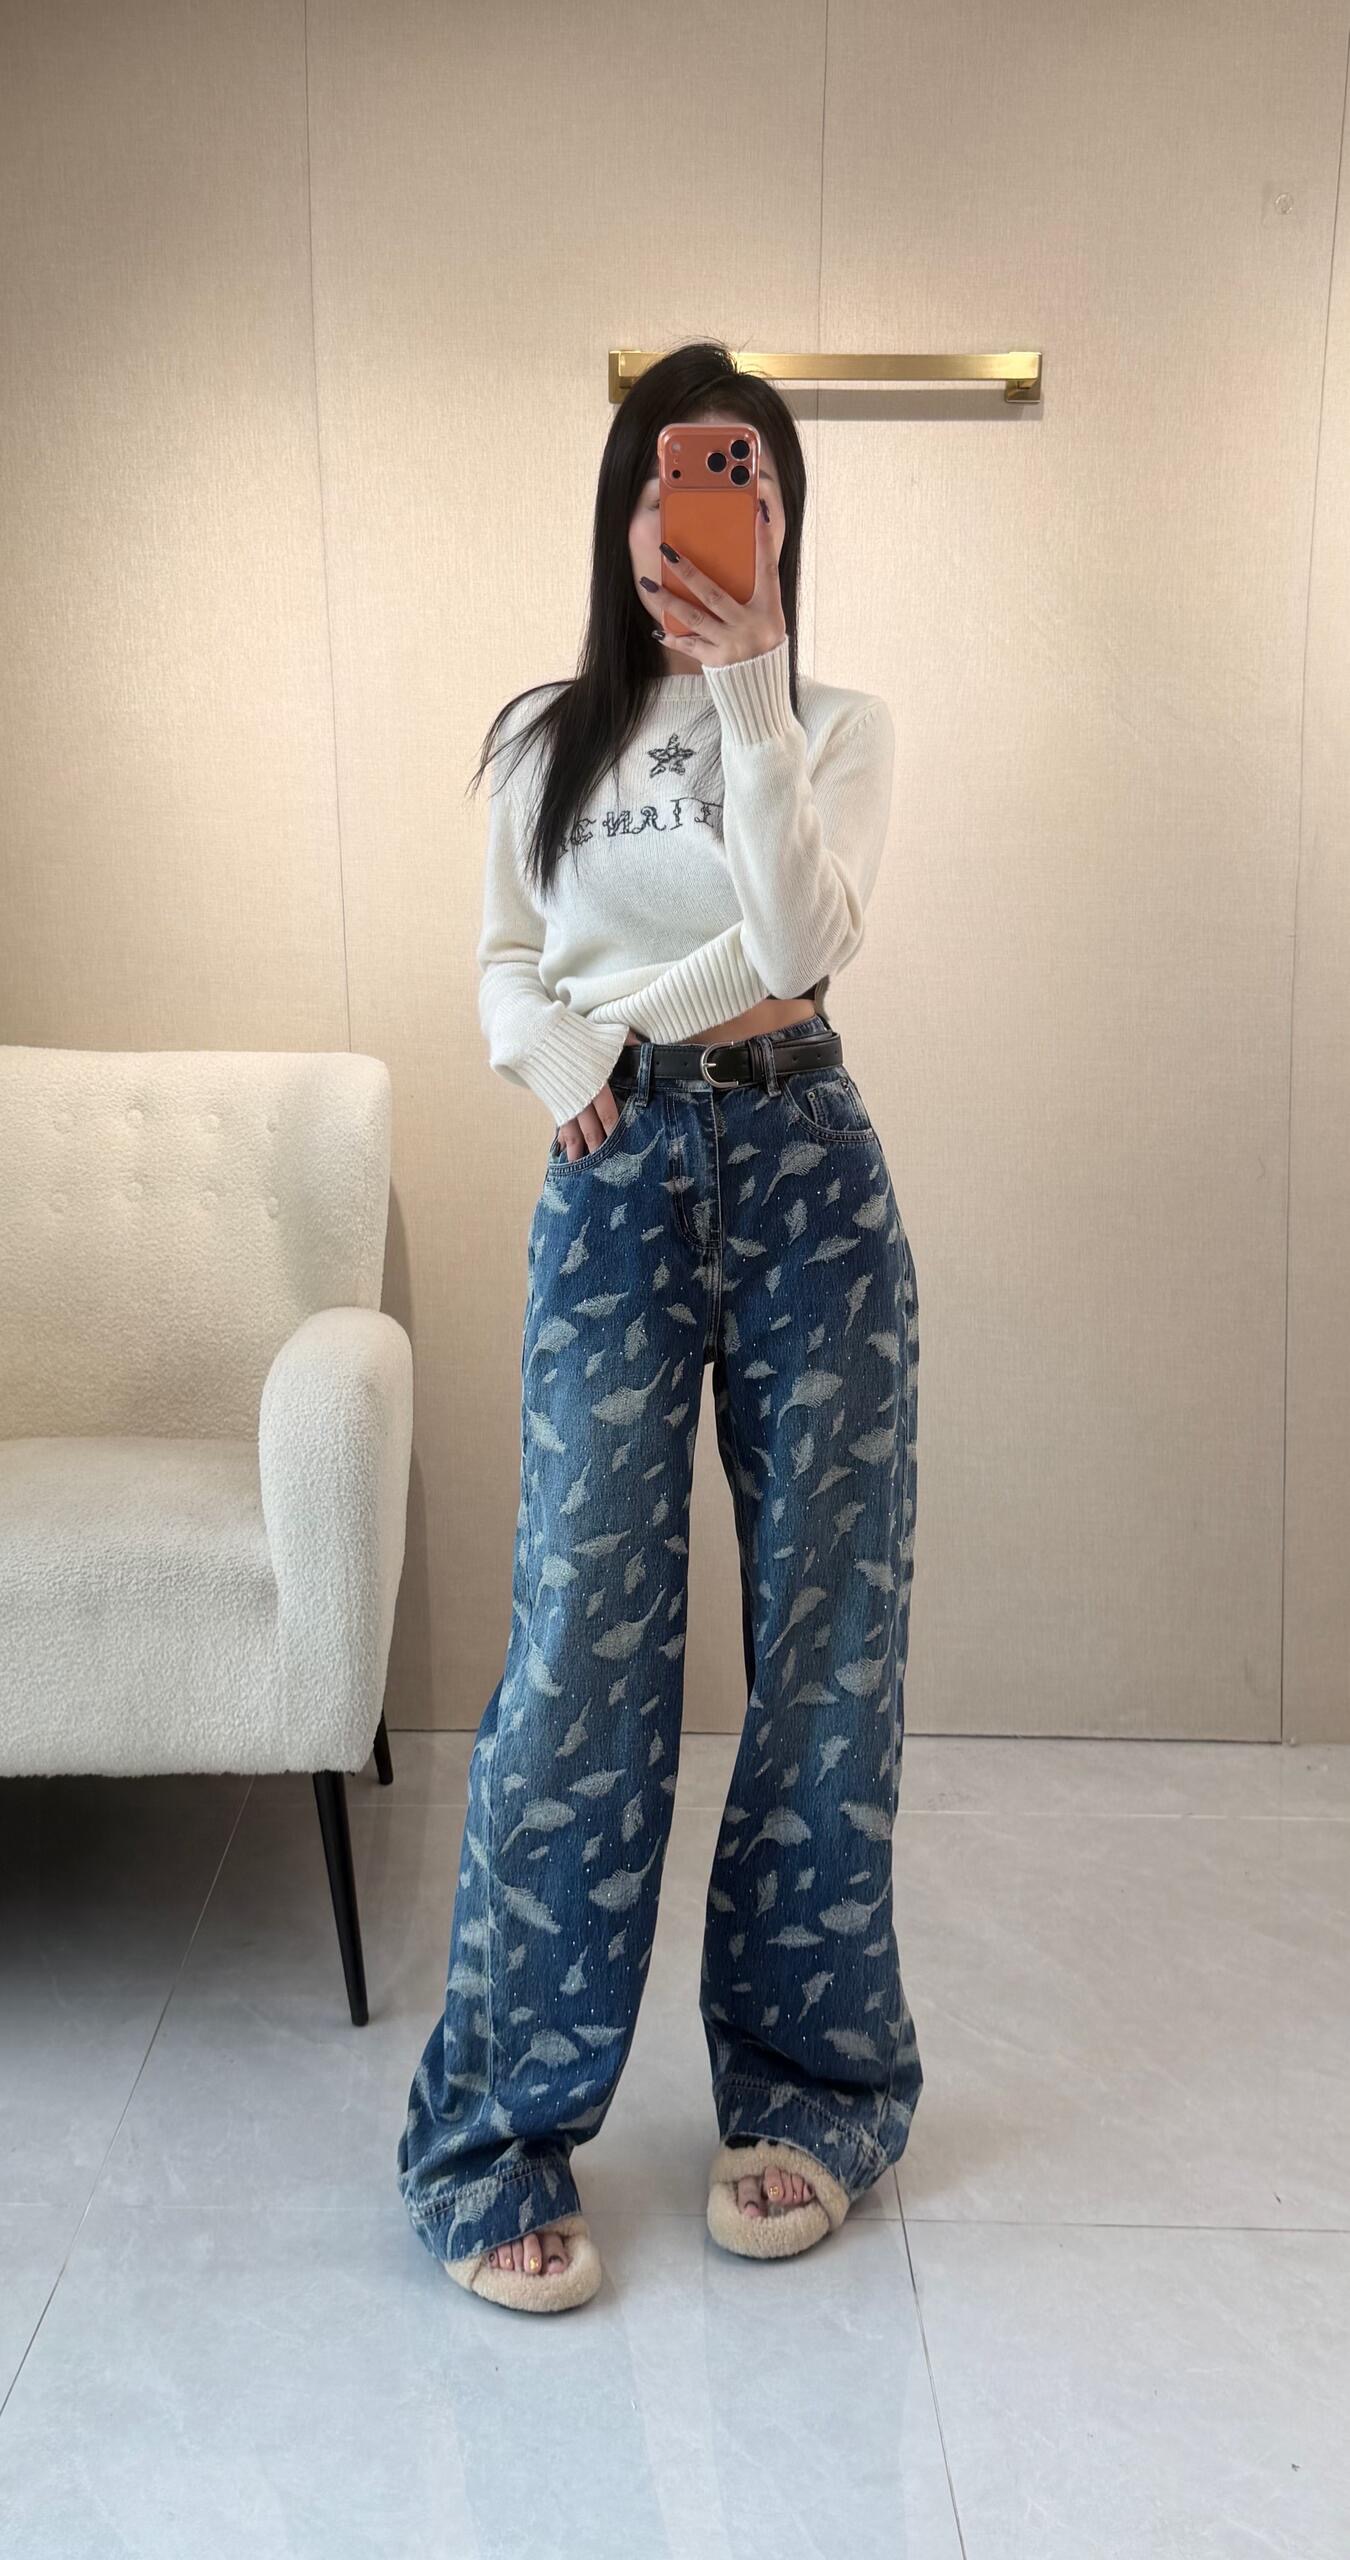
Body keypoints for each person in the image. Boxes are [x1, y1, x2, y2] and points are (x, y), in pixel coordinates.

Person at [396, 340, 922, 2313]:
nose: (705, 509)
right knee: (575, 1657)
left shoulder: (838, 727)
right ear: (621, 508)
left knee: (827, 1654)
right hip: (615, 1186)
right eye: (675, 476)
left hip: (808, 1180)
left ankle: (812, 2094)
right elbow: (504, 965)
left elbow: (796, 948)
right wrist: (574, 1056)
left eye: (745, 478)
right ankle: (492, 2134)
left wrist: (753, 688)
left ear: (782, 517)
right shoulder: (543, 736)